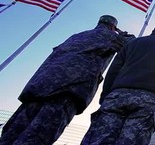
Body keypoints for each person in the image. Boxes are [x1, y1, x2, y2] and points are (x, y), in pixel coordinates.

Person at [0, 15, 133, 145]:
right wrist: (123, 34)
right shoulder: (111, 37)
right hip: (69, 88)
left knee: (12, 133)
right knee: (38, 136)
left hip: (40, 85)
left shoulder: (77, 36)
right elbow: (132, 45)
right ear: (113, 26)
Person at [81, 20, 155, 145]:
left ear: (154, 29)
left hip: (118, 95)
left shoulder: (133, 43)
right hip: (149, 99)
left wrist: (105, 95)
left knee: (98, 138)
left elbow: (113, 70)